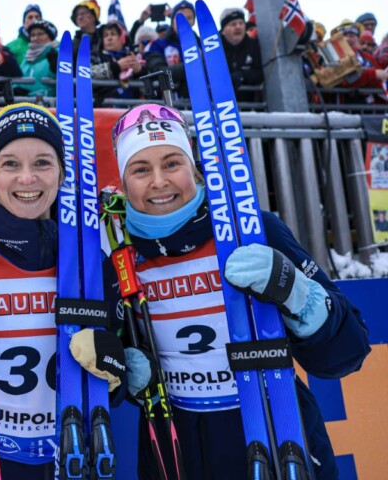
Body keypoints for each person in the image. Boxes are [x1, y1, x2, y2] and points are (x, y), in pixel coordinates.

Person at [109, 102, 371, 479]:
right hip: (177, 446)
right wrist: (122, 370)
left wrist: (299, 295)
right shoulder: (118, 254)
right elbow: (108, 371)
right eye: (140, 169)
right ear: (124, 182)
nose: (159, 181)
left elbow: (347, 353)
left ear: (193, 169)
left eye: (172, 163)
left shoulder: (251, 230)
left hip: (274, 431)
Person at [0, 103, 129, 479]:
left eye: (43, 163)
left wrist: (114, 371)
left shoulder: (92, 266)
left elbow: (116, 391)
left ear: (61, 173)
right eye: (10, 164)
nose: (27, 178)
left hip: (70, 459)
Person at [145, 0, 195, 99]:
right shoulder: (158, 44)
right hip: (168, 102)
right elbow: (158, 73)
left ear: (194, 22)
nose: (184, 21)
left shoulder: (201, 45)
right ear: (172, 20)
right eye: (180, 17)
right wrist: (191, 66)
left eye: (189, 18)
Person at [91, 20, 145, 100]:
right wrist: (116, 66)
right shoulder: (95, 57)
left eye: (113, 34)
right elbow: (88, 74)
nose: (109, 38)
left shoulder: (134, 56)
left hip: (134, 105)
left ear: (122, 38)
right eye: (105, 35)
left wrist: (140, 71)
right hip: (104, 104)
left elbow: (149, 84)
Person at [219, 8, 263, 102]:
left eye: (241, 23)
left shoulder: (254, 45)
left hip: (251, 105)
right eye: (233, 24)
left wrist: (243, 75)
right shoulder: (214, 49)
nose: (238, 27)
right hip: (221, 103)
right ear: (223, 30)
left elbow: (262, 72)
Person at [14, 19, 58, 97]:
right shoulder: (27, 58)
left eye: (40, 34)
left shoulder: (57, 55)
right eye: (32, 35)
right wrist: (15, 89)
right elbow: (16, 79)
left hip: (47, 102)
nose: (35, 38)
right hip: (23, 102)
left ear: (50, 36)